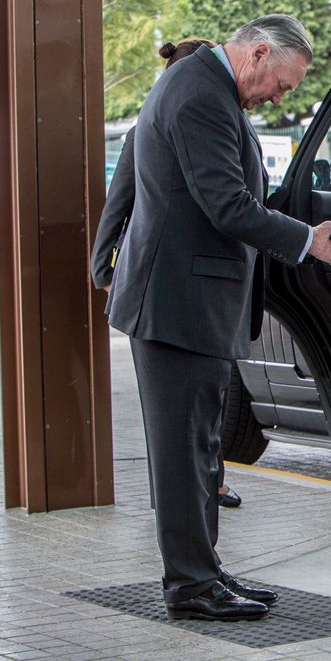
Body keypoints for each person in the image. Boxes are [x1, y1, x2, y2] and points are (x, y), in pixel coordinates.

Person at [105, 14, 331, 622]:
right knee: (183, 452)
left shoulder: (205, 88)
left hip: (187, 304)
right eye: (282, 84)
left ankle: (205, 572)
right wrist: (306, 241)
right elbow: (227, 204)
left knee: (199, 449)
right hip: (176, 306)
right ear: (258, 53)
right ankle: (189, 587)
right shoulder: (198, 94)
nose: (277, 97)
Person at [92, 39, 244, 511]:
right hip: (166, 284)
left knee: (204, 410)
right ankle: (179, 499)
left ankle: (207, 486)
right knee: (179, 417)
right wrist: (103, 266)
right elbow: (121, 199)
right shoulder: (157, 124)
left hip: (202, 292)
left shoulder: (212, 116)